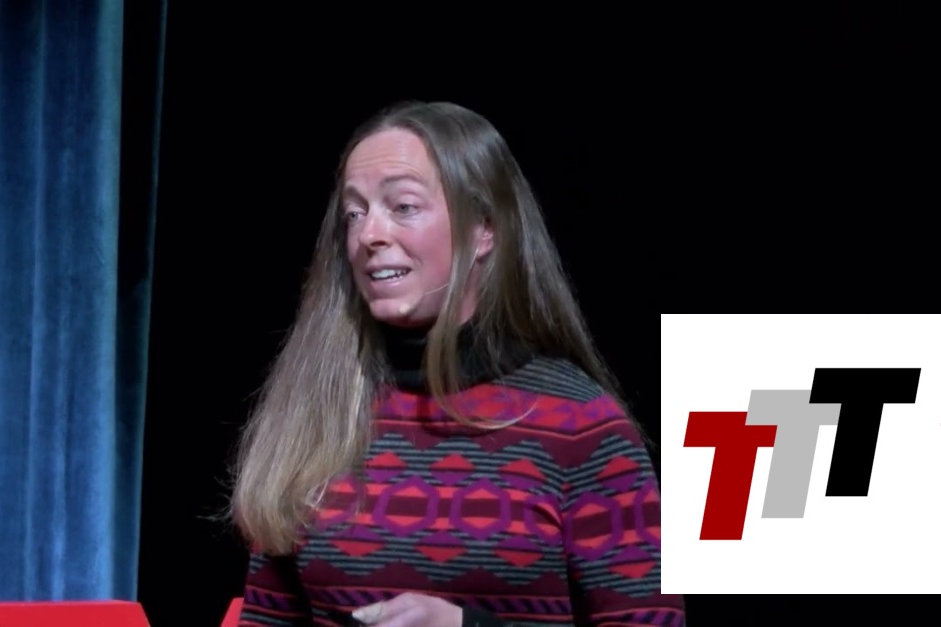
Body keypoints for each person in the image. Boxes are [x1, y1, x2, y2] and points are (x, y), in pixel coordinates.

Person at [227, 101, 684, 626]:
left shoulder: (580, 426)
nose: (369, 235)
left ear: (483, 228)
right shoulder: (317, 412)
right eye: (354, 213)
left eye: (403, 206)